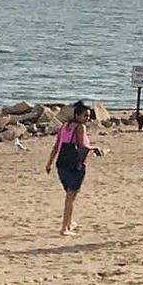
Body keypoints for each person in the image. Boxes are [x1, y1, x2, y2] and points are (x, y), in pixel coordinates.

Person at [46, 101, 102, 235]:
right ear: (77, 116)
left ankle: (69, 222)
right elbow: (82, 145)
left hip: (61, 165)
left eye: (88, 116)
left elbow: (56, 146)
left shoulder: (64, 126)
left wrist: (49, 163)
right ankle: (64, 228)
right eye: (85, 116)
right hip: (75, 165)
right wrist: (96, 148)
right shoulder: (80, 127)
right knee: (70, 198)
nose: (87, 118)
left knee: (69, 196)